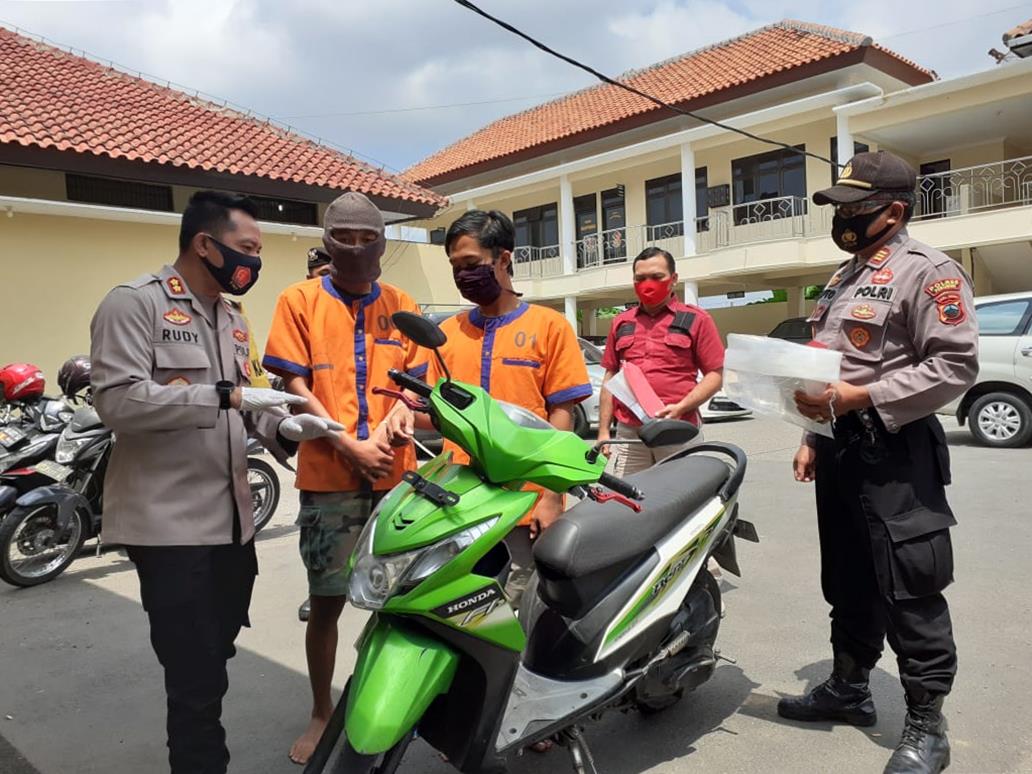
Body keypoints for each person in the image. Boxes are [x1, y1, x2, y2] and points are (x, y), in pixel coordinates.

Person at [90, 191, 343, 774]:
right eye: (247, 249)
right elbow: (119, 402)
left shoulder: (232, 318)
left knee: (215, 653)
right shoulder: (134, 305)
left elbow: (246, 403)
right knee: (194, 677)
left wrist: (287, 425)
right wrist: (227, 395)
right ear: (206, 244)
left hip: (233, 522)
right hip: (170, 526)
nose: (253, 263)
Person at [779, 151, 978, 774]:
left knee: (909, 584)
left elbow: (954, 364)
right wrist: (813, 434)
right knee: (847, 578)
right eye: (839, 208)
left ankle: (927, 724)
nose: (842, 219)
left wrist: (860, 398)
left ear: (893, 210)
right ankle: (850, 689)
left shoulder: (930, 273)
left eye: (853, 209)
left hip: (894, 450)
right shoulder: (844, 277)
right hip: (839, 447)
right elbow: (826, 366)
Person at [261, 192, 426, 766]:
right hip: (329, 474)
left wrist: (399, 414)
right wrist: (349, 444)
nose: (356, 248)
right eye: (344, 238)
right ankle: (321, 711)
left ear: (382, 241)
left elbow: (412, 380)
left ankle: (396, 698)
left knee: (402, 601)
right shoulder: (298, 300)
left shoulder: (402, 302)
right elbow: (294, 385)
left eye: (367, 238)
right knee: (326, 601)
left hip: (395, 474)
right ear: (327, 239)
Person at [386, 209, 591, 599]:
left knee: (518, 609)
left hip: (523, 505)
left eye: (472, 264)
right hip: (456, 504)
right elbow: (435, 413)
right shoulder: (445, 334)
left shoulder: (549, 327)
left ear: (504, 258)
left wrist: (552, 496)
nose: (463, 275)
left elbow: (560, 418)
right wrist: (402, 414)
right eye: (455, 267)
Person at [597, 247, 725, 475]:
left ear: (673, 279)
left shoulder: (696, 319)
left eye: (657, 277)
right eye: (640, 278)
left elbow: (715, 376)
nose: (648, 284)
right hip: (630, 434)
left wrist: (681, 407)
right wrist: (604, 432)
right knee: (629, 501)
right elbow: (610, 377)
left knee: (681, 497)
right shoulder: (622, 322)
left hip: (678, 429)